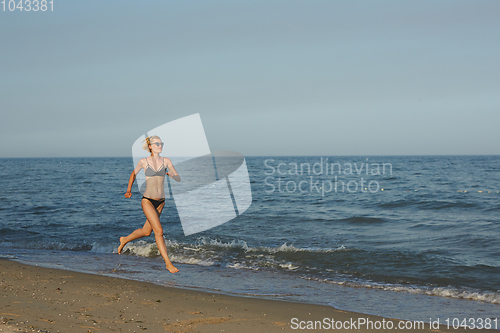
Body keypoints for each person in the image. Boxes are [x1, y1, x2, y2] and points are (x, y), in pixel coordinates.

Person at [118, 135, 180, 273]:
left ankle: (124, 239)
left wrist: (172, 175)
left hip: (160, 202)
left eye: (161, 143)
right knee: (159, 231)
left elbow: (178, 178)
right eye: (156, 143)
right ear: (150, 146)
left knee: (146, 232)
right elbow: (133, 174)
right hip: (147, 200)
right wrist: (128, 190)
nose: (160, 145)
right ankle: (168, 263)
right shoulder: (144, 161)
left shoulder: (166, 161)